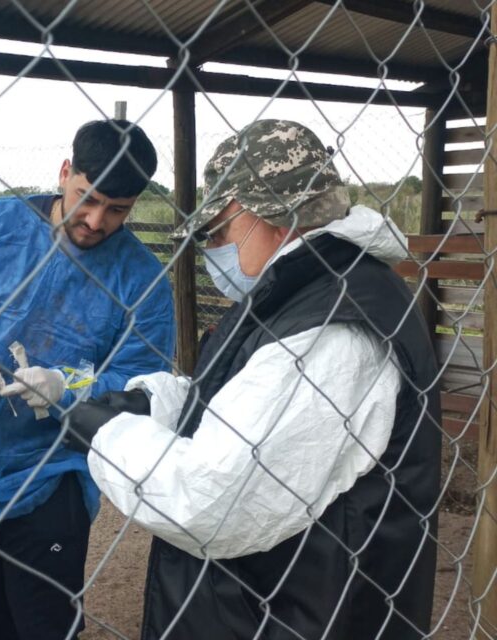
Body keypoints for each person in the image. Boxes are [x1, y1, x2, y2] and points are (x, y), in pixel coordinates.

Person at [68, 119, 441, 639]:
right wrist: (149, 400)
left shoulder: (328, 334)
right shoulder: (316, 292)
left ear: (260, 211)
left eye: (218, 231)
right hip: (291, 605)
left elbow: (209, 502)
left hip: (294, 616)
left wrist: (109, 436)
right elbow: (231, 397)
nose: (213, 248)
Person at [0, 119, 176, 639]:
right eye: (87, 197)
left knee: (45, 625)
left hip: (51, 472)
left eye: (117, 210)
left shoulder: (142, 279)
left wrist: (67, 383)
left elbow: (144, 379)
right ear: (64, 172)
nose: (97, 221)